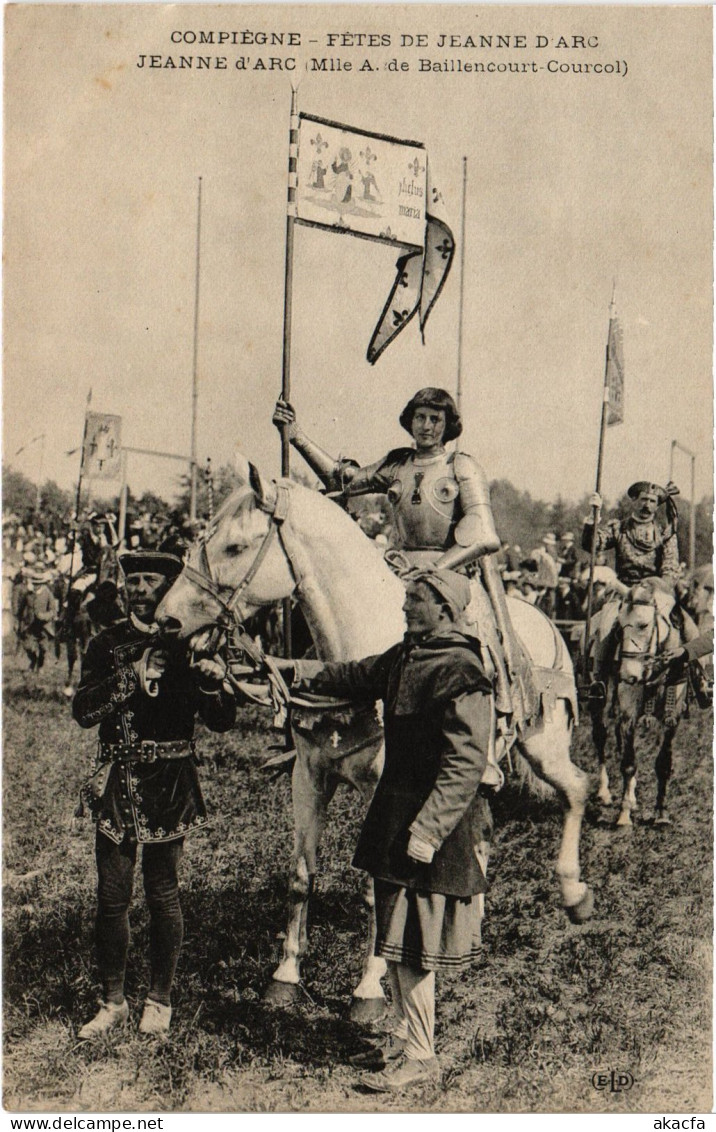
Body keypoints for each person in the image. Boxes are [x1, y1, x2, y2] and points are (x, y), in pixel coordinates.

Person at [269, 569, 491, 1092]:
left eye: (416, 599)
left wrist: (430, 830)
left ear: (444, 609)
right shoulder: (405, 656)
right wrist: (293, 668)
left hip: (430, 826)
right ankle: (401, 1031)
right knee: (392, 935)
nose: (405, 607)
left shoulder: (462, 670)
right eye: (407, 597)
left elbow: (465, 764)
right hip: (394, 815)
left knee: (414, 945)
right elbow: (352, 675)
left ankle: (420, 1053)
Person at [273, 388, 535, 736]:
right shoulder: (398, 463)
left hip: (451, 575)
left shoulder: (461, 466)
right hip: (396, 568)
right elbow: (342, 480)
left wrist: (435, 570)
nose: (426, 426)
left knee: (474, 644)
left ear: (448, 424)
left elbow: (484, 535)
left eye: (435, 419)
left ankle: (484, 735)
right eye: (420, 417)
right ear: (410, 420)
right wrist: (296, 437)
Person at [72, 550, 236, 1039]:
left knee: (164, 895)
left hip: (170, 782)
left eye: (151, 581)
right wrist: (131, 677)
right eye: (134, 580)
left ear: (169, 588)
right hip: (118, 781)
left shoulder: (192, 641)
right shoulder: (106, 643)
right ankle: (112, 1002)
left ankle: (159, 1000)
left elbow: (223, 721)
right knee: (110, 897)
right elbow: (83, 711)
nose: (141, 589)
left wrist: (212, 684)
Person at [582, 481, 707, 699]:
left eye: (652, 501)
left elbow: (670, 567)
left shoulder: (664, 533)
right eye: (643, 500)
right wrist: (592, 521)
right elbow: (592, 545)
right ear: (634, 502)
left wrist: (659, 588)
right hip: (624, 592)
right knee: (605, 626)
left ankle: (699, 681)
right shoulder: (618, 528)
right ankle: (598, 683)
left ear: (657, 506)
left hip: (656, 593)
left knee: (688, 626)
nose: (647, 506)